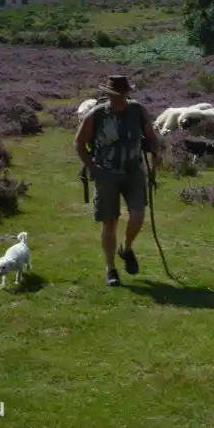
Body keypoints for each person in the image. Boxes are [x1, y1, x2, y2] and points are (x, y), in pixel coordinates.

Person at [74, 75, 160, 286]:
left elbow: (152, 137)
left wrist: (155, 159)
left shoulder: (137, 110)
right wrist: (94, 168)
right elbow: (79, 143)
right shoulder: (96, 115)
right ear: (108, 94)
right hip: (107, 174)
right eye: (115, 95)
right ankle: (111, 269)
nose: (119, 98)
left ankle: (127, 248)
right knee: (109, 221)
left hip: (133, 172)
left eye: (122, 94)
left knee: (138, 215)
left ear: (127, 93)